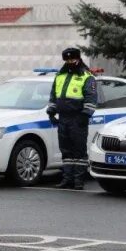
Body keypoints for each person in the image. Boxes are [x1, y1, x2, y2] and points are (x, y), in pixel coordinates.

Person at [46, 48, 98, 190]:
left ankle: (78, 181)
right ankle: (67, 179)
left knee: (79, 151)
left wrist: (85, 115)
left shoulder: (87, 76)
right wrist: (51, 112)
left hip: (78, 118)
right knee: (66, 150)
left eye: (72, 60)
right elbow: (54, 96)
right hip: (63, 118)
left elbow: (91, 98)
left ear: (78, 59)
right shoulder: (60, 76)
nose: (69, 62)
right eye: (67, 60)